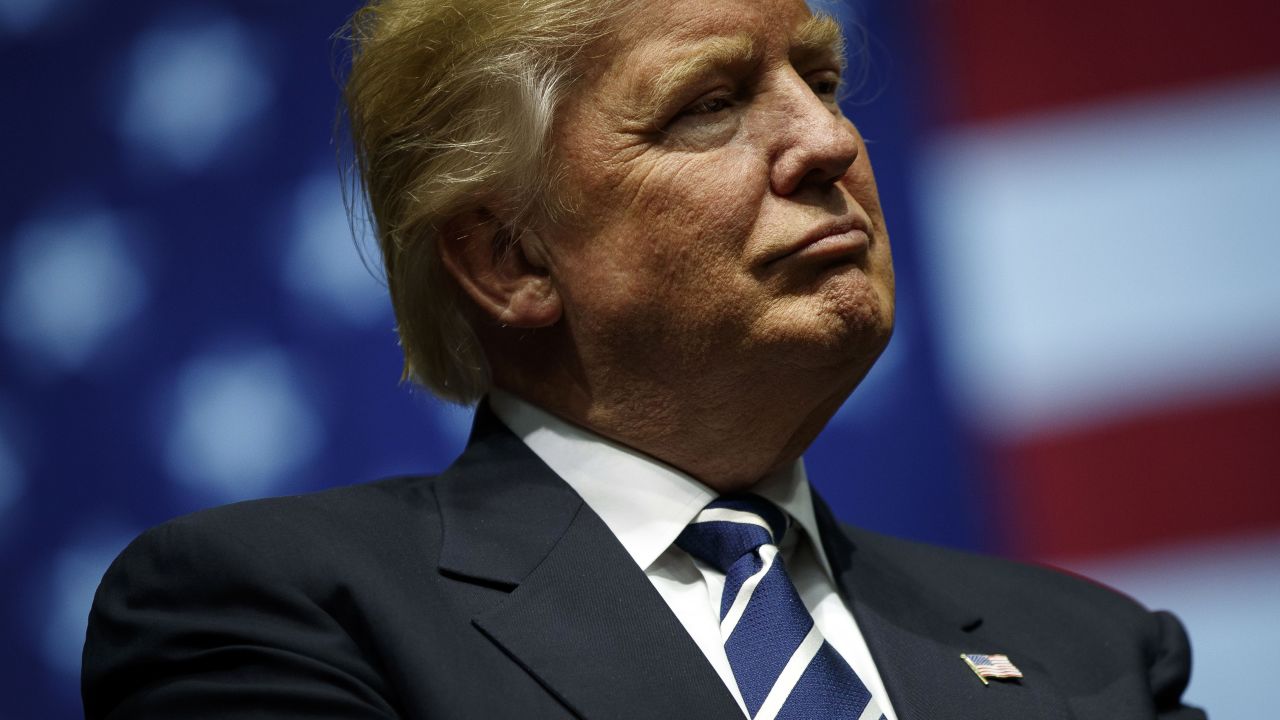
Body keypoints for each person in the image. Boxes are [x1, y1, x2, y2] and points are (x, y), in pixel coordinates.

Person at [82, 0, 1205, 717]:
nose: (828, 141)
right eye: (707, 106)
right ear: (511, 256)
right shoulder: (279, 615)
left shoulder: (1095, 657)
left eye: (816, 79)